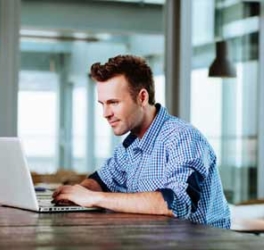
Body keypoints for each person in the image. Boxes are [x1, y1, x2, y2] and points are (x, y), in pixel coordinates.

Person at [52, 55, 230, 229]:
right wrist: (76, 194)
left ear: (142, 97)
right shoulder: (130, 145)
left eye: (113, 102)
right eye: (102, 104)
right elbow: (101, 180)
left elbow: (176, 204)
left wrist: (94, 198)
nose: (105, 113)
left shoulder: (183, 137)